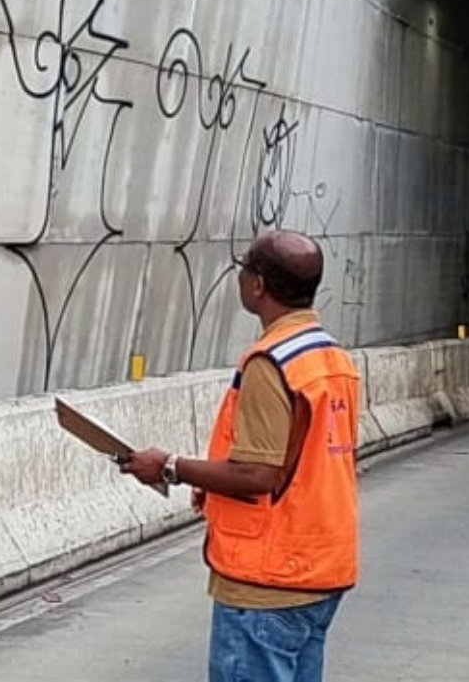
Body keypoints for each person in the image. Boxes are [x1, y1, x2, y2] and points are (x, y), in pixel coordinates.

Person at [121, 230, 361, 682]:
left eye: (245, 268)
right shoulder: (332, 358)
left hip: (268, 581)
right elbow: (309, 464)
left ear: (258, 285)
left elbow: (258, 473)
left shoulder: (271, 363)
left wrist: (169, 466)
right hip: (321, 569)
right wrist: (206, 482)